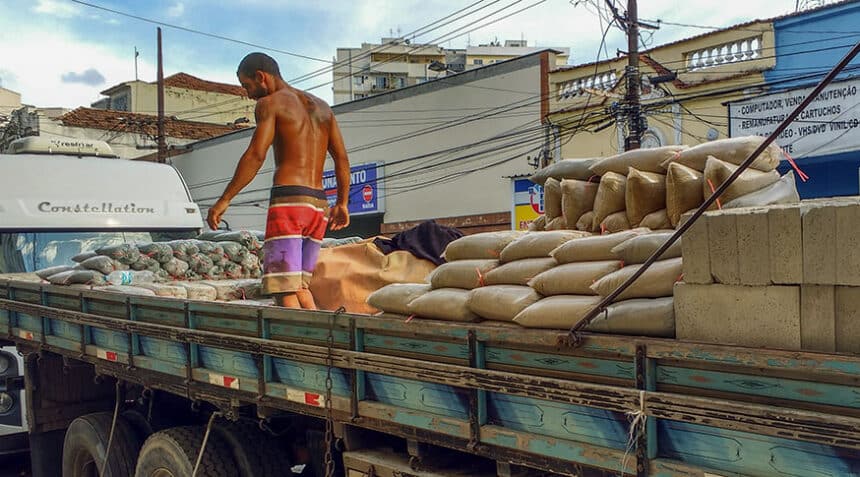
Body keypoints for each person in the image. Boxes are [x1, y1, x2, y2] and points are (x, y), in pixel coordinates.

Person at [207, 52, 350, 309]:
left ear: (261, 77)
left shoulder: (270, 104)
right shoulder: (323, 108)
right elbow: (341, 158)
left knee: (283, 289)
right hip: (319, 206)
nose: (249, 95)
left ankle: (298, 348)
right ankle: (321, 343)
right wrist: (343, 202)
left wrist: (224, 200)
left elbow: (255, 155)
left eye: (247, 86)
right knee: (299, 286)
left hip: (290, 202)